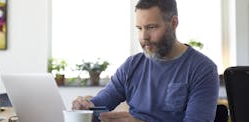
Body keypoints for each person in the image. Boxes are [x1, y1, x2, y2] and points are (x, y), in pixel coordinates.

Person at [72, 0, 219, 121]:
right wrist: (85, 106)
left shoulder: (202, 69)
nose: (144, 37)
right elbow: (102, 103)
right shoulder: (131, 66)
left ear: (173, 23)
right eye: (139, 28)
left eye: (151, 27)